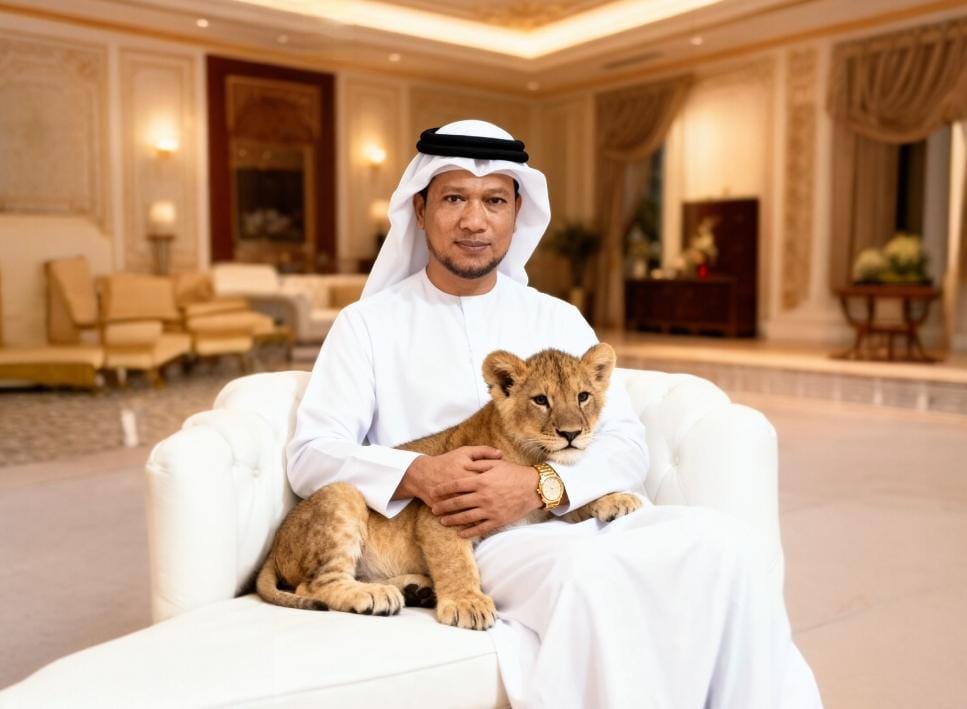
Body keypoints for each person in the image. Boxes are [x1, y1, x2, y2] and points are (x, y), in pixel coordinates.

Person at [286, 119, 822, 708]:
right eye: (454, 199)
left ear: (518, 212)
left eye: (494, 201)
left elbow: (625, 444)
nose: (474, 221)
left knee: (728, 546)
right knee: (591, 574)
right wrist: (419, 474)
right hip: (466, 538)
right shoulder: (367, 324)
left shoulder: (558, 318)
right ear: (419, 209)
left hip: (566, 510)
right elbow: (312, 454)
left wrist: (540, 485)